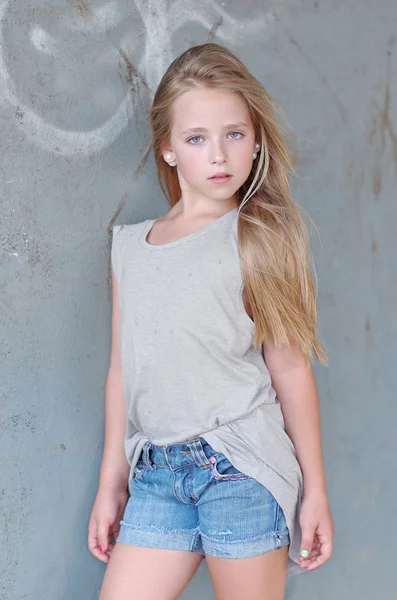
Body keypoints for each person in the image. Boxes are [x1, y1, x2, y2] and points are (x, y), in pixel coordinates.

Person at [88, 42, 334, 600]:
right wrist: (112, 482)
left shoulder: (258, 238)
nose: (219, 155)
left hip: (242, 468)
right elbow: (122, 370)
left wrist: (315, 489)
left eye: (235, 134)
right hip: (156, 473)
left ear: (255, 141)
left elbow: (290, 368)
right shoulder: (129, 247)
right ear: (169, 150)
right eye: (197, 139)